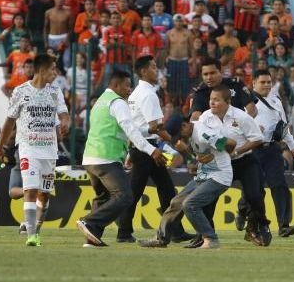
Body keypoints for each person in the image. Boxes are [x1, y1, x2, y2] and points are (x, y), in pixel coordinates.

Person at [76, 70, 166, 247]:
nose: (129, 90)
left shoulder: (100, 102)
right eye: (126, 86)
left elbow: (126, 128)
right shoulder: (118, 102)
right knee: (124, 196)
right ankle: (90, 222)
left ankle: (91, 238)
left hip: (90, 158)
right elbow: (129, 129)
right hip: (106, 158)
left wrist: (149, 130)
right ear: (115, 86)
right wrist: (151, 149)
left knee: (103, 198)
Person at [0, 54, 70, 246]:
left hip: (49, 151)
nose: (56, 73)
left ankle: (36, 228)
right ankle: (31, 234)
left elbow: (63, 113)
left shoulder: (55, 91)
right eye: (53, 69)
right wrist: (0, 145)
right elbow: (9, 121)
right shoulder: (20, 91)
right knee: (30, 189)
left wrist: (65, 122)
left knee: (43, 195)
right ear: (43, 70)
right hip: (28, 149)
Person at [115, 56, 192, 243]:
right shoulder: (148, 94)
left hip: (142, 147)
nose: (157, 70)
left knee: (165, 190)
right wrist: (173, 141)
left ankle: (174, 230)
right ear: (143, 71)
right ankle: (124, 232)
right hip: (148, 149)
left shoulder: (135, 94)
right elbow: (155, 126)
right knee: (142, 192)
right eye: (154, 67)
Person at [139, 113, 237, 249]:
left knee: (190, 204)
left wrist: (223, 155)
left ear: (185, 125)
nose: (181, 139)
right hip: (204, 176)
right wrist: (191, 153)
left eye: (180, 135)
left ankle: (211, 239)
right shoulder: (190, 133)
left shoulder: (204, 134)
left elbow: (232, 143)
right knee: (175, 202)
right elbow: (197, 152)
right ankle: (161, 239)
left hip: (219, 176)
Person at [197, 84, 272, 246]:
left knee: (255, 195)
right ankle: (206, 235)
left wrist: (237, 151)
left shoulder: (242, 117)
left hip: (244, 161)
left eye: (216, 100)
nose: (212, 103)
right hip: (219, 164)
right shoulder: (204, 118)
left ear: (227, 101)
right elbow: (198, 138)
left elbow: (257, 138)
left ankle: (260, 227)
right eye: (211, 99)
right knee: (208, 198)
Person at [248, 70, 294, 237]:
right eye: (262, 82)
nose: (266, 85)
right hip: (252, 150)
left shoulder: (276, 101)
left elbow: (283, 127)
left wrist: (293, 147)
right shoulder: (246, 102)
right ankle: (247, 217)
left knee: (279, 185)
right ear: (254, 83)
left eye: (269, 82)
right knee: (254, 190)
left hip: (272, 149)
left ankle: (283, 225)